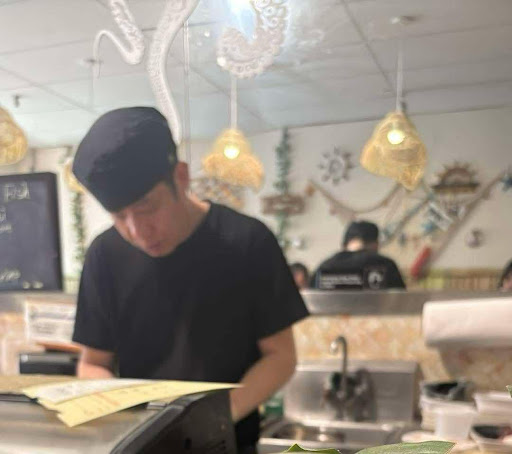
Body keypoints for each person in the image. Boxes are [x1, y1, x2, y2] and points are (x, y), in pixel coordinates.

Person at [71, 107, 309, 453]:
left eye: (147, 207)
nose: (137, 231)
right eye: (119, 216)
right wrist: (127, 422)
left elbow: (281, 357)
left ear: (180, 177)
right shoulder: (104, 255)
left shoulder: (247, 242)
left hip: (227, 442)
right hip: (143, 446)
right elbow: (92, 363)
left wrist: (209, 422)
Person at [310, 220, 406, 290]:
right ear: (376, 244)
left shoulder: (324, 267)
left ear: (344, 245)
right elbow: (401, 302)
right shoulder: (386, 264)